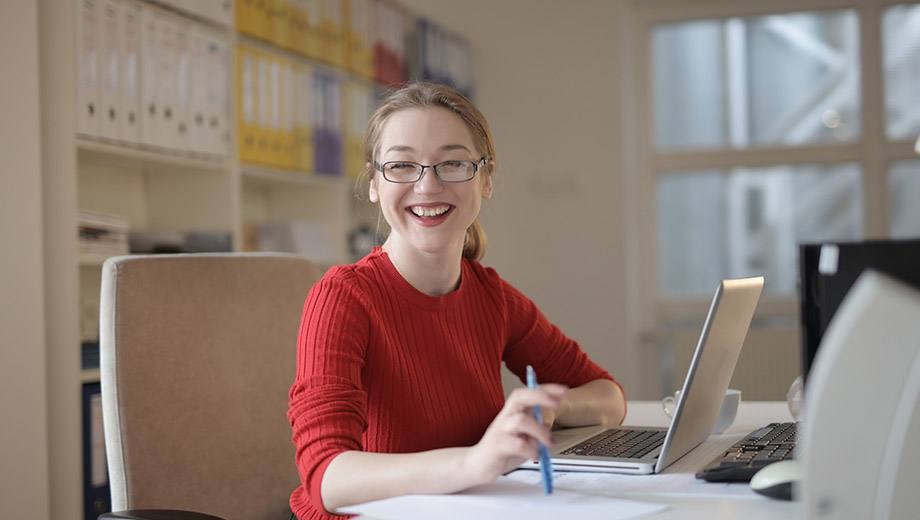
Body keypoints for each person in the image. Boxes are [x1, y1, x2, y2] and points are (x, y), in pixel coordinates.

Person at [287, 82, 627, 520]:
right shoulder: (343, 297)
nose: (427, 185)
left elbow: (609, 398)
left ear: (485, 180)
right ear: (374, 184)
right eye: (402, 165)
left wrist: (550, 406)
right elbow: (327, 479)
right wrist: (474, 463)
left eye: (452, 163)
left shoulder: (492, 297)